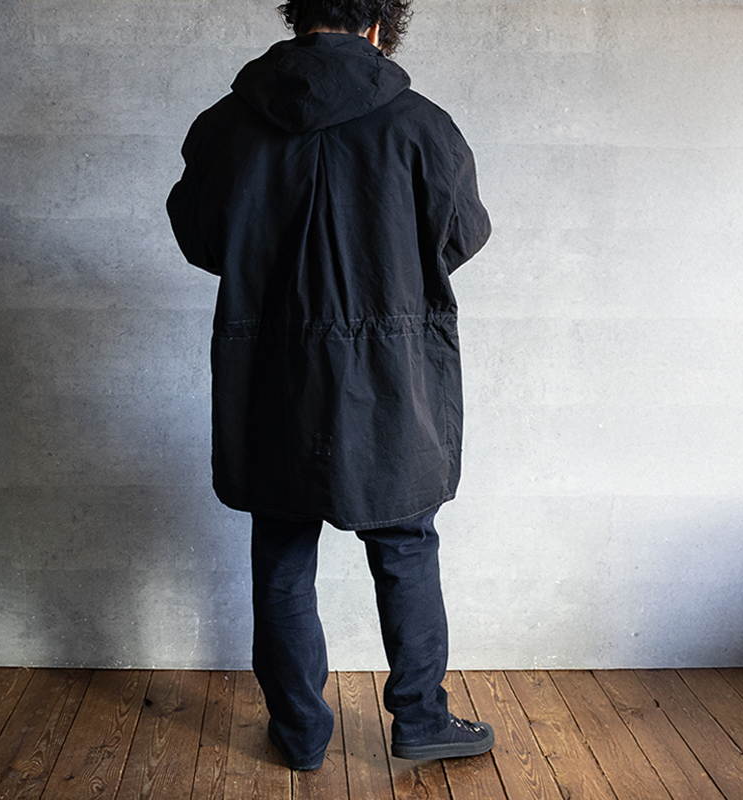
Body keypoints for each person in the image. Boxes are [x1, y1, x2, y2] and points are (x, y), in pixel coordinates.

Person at [167, 0, 493, 771]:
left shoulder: (228, 124)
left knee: (282, 545)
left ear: (298, 17)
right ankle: (421, 719)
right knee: (405, 543)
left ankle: (300, 732)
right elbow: (461, 235)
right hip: (390, 374)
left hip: (271, 367)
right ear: (380, 25)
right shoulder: (421, 125)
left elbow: (202, 236)